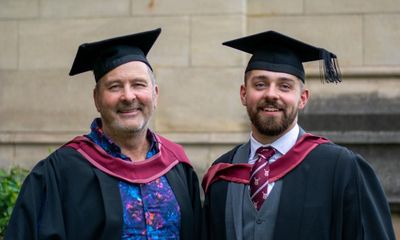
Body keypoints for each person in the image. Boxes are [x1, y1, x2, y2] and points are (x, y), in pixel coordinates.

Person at [5, 28, 202, 240]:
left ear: (155, 95)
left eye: (138, 84)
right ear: (97, 99)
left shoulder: (177, 164)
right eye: (115, 87)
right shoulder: (60, 171)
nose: (128, 96)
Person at [202, 30, 396, 240]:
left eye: (284, 86)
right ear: (243, 94)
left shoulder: (341, 168)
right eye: (260, 84)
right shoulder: (222, 173)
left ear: (302, 98)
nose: (271, 94)